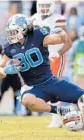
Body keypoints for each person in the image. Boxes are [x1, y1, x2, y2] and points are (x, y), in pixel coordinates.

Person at [0, 14, 84, 118]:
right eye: (10, 32)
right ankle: (61, 111)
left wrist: (62, 33)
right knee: (27, 100)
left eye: (14, 31)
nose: (11, 34)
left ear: (24, 29)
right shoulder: (9, 48)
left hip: (51, 81)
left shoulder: (37, 35)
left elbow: (61, 39)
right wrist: (4, 71)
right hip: (34, 87)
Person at [31, 0, 71, 128]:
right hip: (41, 57)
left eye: (46, 6)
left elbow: (67, 41)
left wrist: (58, 54)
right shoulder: (34, 19)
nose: (43, 9)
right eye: (41, 6)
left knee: (54, 85)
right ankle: (64, 113)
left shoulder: (58, 19)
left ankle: (57, 118)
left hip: (55, 55)